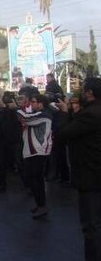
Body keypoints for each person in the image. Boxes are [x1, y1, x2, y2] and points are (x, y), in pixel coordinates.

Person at [56, 77, 101, 261]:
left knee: (91, 226)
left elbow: (65, 133)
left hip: (91, 175)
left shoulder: (91, 114)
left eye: (83, 90)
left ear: (89, 92)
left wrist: (65, 113)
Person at [18, 94, 53, 219]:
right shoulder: (39, 114)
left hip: (39, 151)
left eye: (34, 102)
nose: (31, 104)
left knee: (36, 179)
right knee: (34, 179)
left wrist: (17, 107)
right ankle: (40, 204)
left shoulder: (44, 115)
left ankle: (42, 205)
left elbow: (25, 118)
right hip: (31, 151)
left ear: (41, 103)